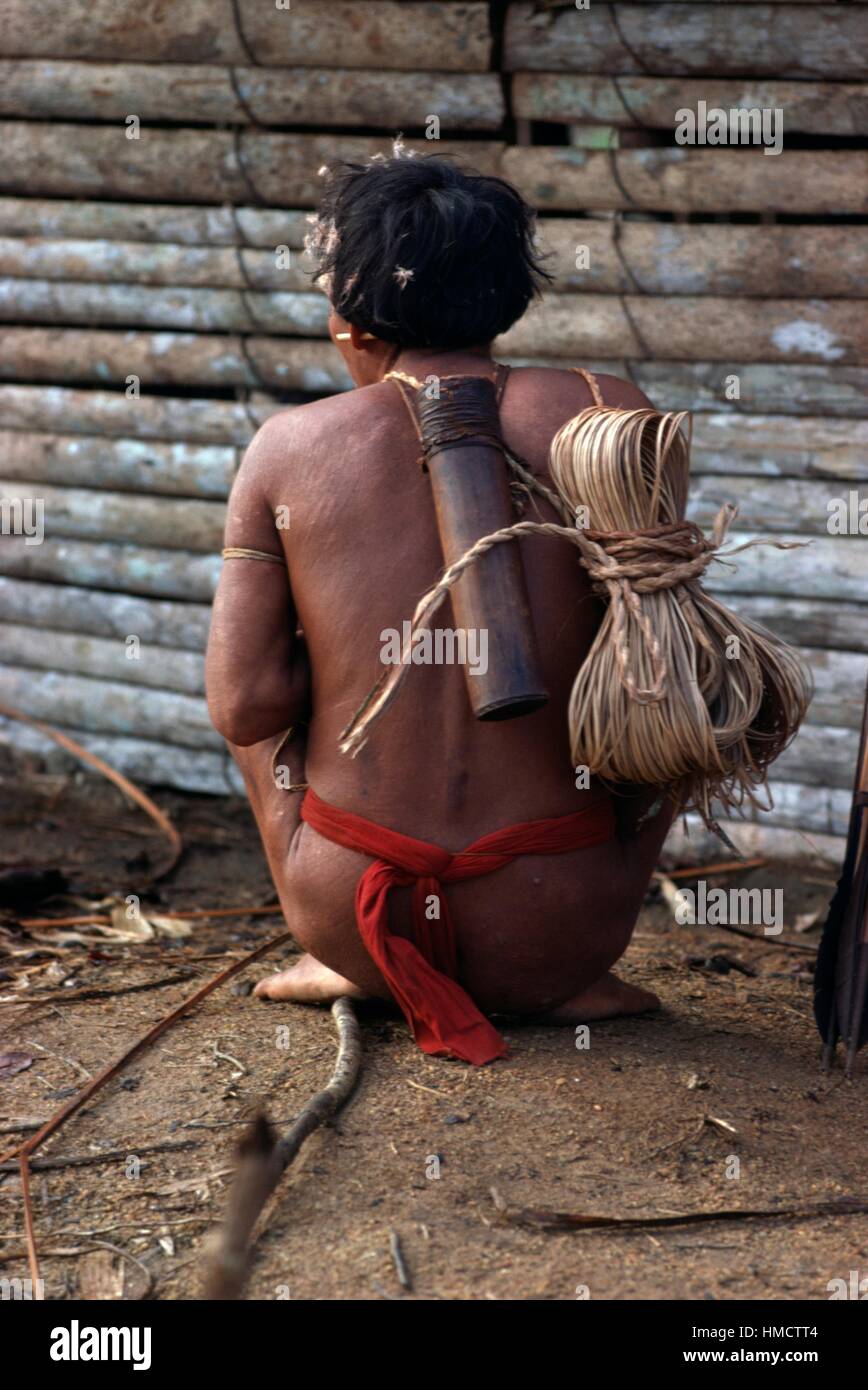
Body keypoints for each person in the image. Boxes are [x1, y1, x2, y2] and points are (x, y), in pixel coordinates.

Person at [204, 154, 705, 1061]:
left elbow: (243, 707)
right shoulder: (609, 412)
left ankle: (351, 969)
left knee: (252, 701)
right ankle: (570, 987)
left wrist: (351, 651)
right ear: (511, 297)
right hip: (559, 922)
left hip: (351, 908)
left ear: (350, 318)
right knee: (667, 660)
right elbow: (675, 667)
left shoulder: (289, 446)